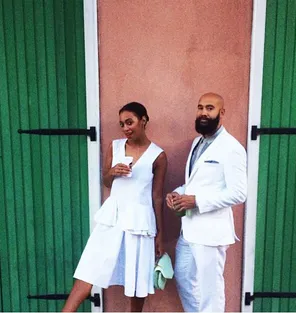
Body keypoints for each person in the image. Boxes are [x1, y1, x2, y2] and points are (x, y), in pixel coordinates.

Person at [62, 102, 167, 312]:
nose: (126, 128)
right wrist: (113, 172)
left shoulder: (158, 155)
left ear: (144, 120)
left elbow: (157, 197)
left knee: (137, 282)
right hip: (113, 216)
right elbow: (106, 182)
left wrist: (160, 236)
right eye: (122, 124)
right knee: (89, 267)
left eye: (130, 122)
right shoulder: (115, 146)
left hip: (141, 220)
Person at [166, 92, 247, 312]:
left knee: (211, 290)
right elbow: (197, 182)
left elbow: (239, 193)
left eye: (209, 108)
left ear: (221, 113)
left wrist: (197, 201)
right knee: (184, 279)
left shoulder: (231, 148)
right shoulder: (197, 143)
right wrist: (178, 193)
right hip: (189, 230)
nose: (203, 112)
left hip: (211, 234)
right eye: (200, 107)